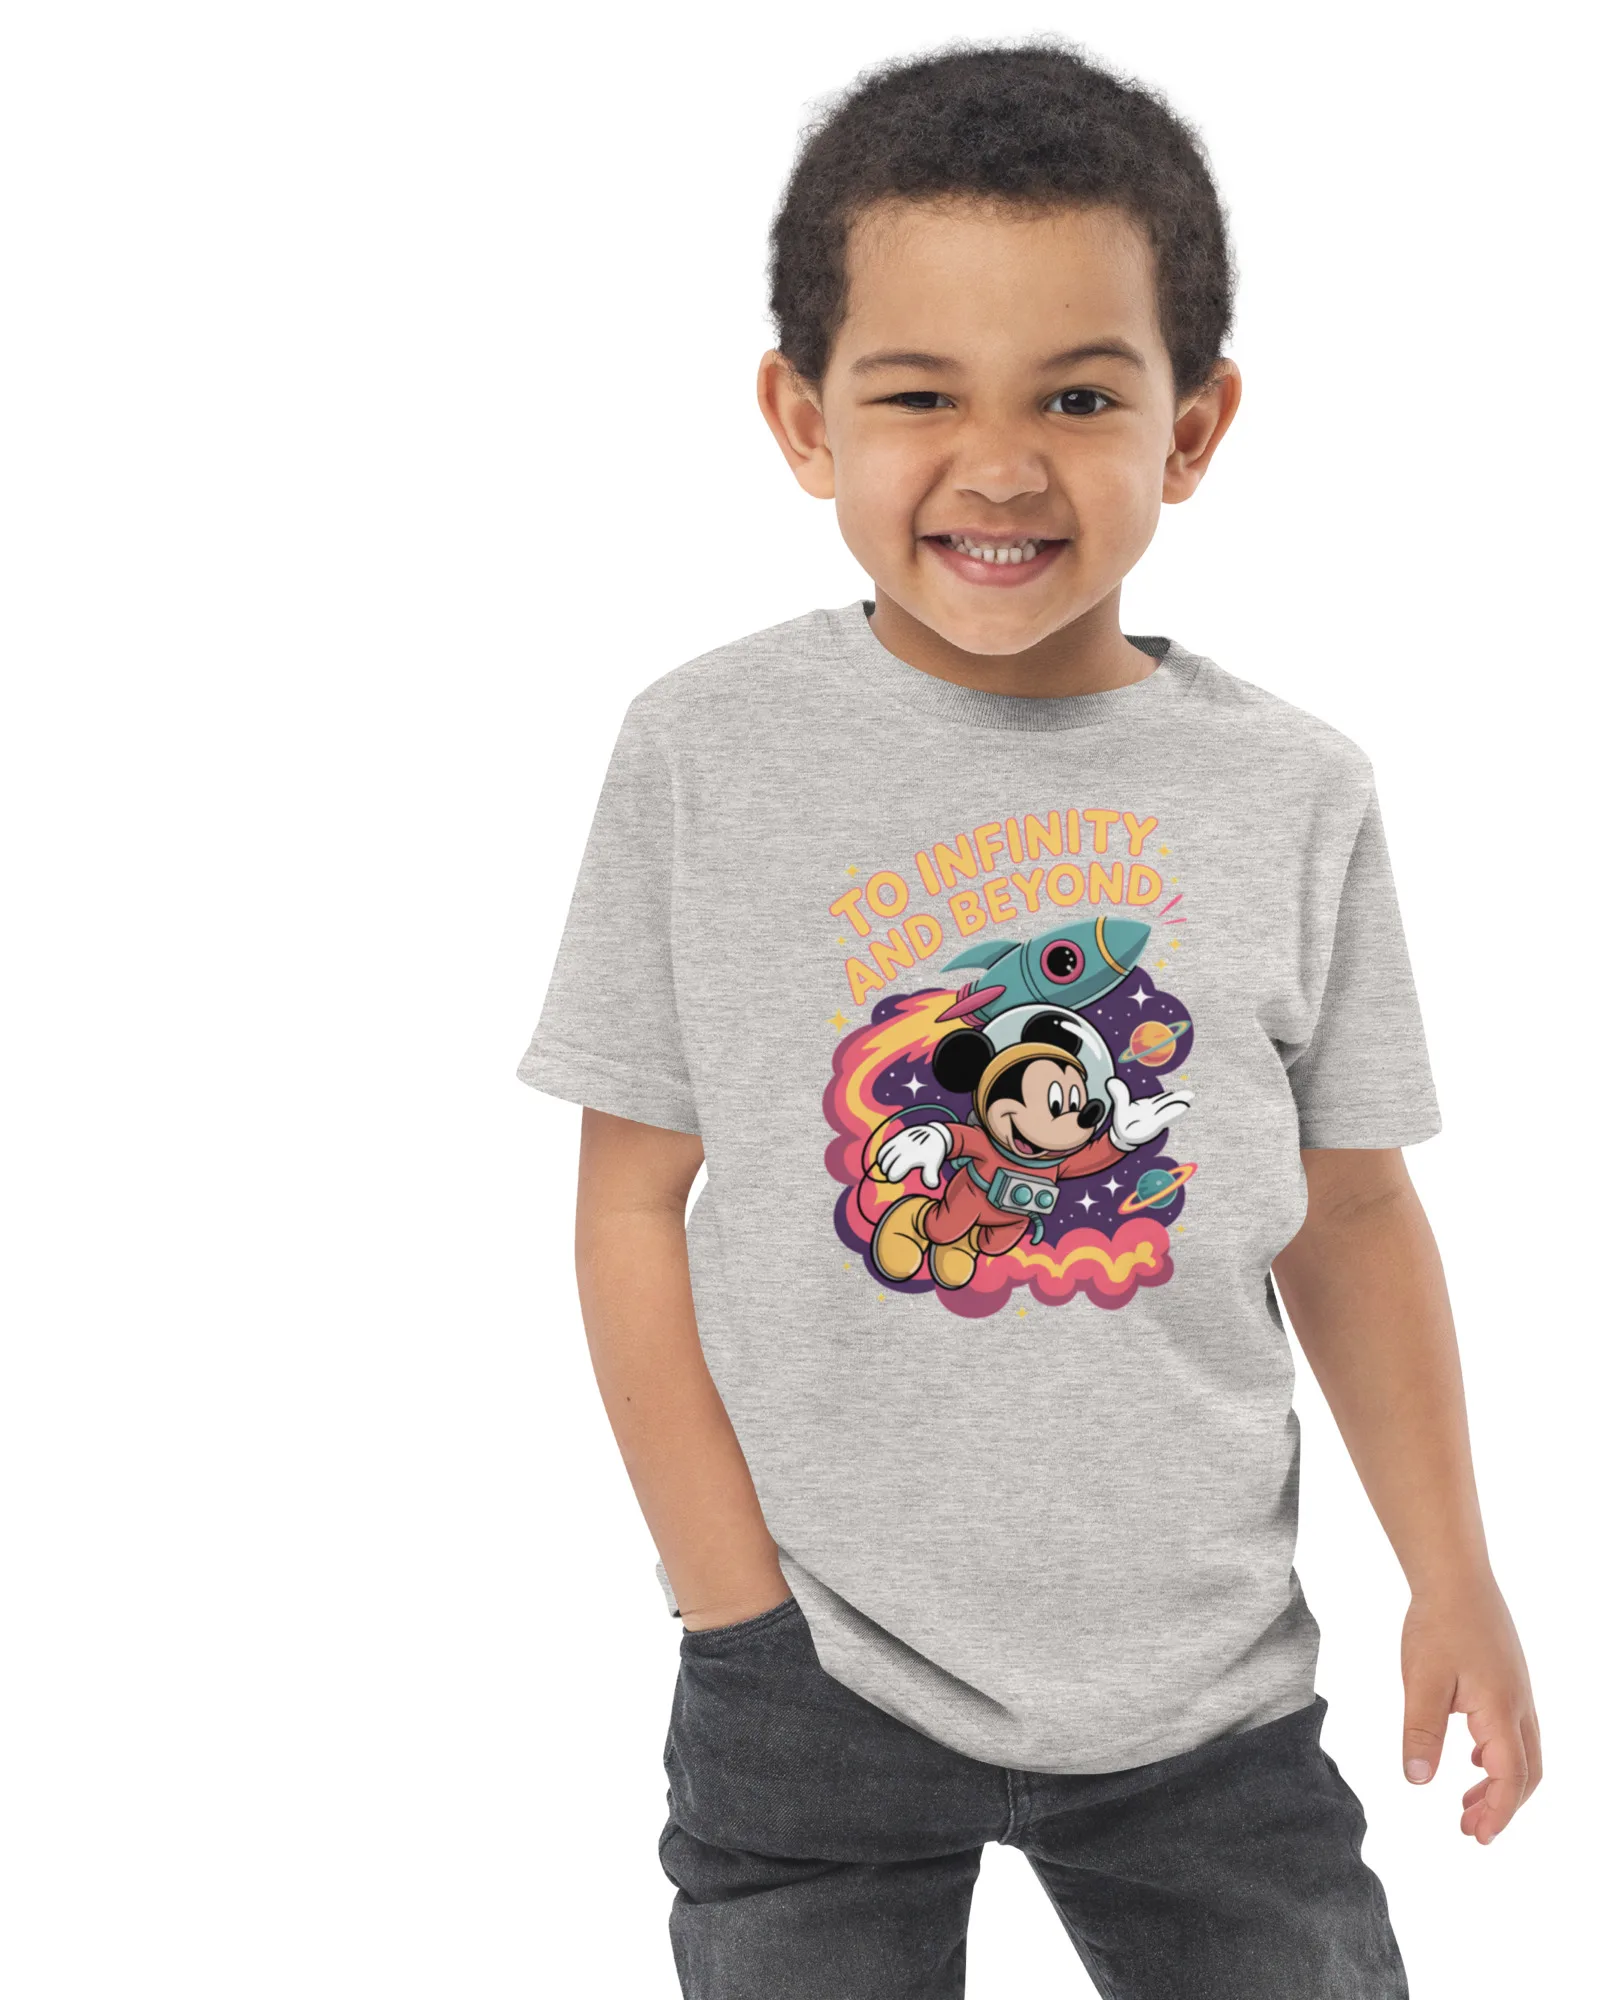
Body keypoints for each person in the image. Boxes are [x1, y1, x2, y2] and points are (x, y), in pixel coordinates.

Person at [518, 37, 1539, 2000]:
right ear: (802, 418)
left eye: (1079, 395)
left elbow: (1350, 1212)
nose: (998, 465)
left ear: (1193, 426)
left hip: (1207, 1691)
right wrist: (733, 1607)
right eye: (920, 394)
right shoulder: (707, 751)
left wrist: (1453, 1571)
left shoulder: (1292, 791)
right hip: (814, 1671)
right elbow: (631, 1200)